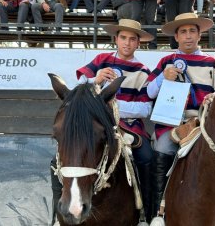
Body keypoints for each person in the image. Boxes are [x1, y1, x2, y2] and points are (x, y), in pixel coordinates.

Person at [49, 19, 155, 224]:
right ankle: (57, 215)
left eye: (132, 39)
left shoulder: (143, 71)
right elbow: (78, 91)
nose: (127, 43)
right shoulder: (101, 60)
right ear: (116, 39)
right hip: (92, 125)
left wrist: (111, 108)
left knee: (146, 156)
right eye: (123, 37)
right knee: (56, 162)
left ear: (138, 43)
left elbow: (145, 108)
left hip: (129, 128)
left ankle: (146, 213)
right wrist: (95, 80)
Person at [146, 12, 215, 216]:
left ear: (199, 35)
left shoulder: (212, 63)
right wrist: (163, 77)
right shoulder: (166, 61)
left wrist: (214, 97)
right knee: (162, 149)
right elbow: (149, 91)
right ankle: (157, 212)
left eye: (192, 31)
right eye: (183, 32)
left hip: (204, 125)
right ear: (176, 37)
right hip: (171, 125)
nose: (188, 36)